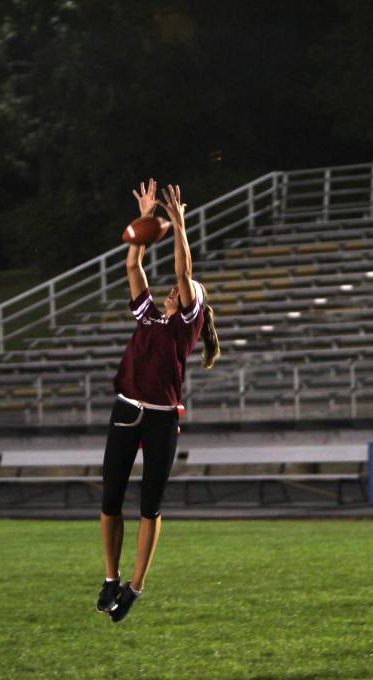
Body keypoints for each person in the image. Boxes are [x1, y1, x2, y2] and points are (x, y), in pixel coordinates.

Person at [96, 179, 220, 623]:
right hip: (128, 409)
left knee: (150, 505)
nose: (177, 289)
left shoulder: (186, 323)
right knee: (110, 498)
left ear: (196, 308)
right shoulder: (149, 314)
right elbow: (134, 267)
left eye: (188, 292)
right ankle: (111, 578)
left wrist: (181, 225)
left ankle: (135, 586)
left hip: (162, 418)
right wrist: (146, 222)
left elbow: (184, 274)